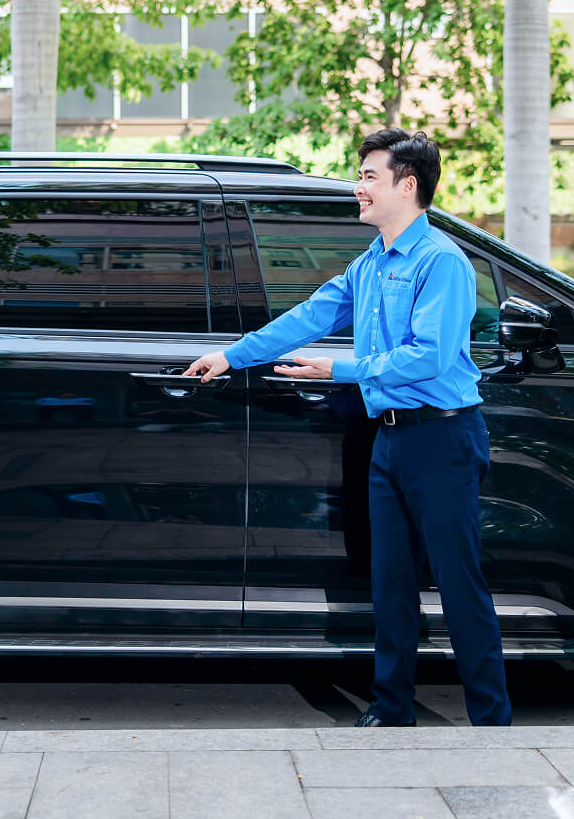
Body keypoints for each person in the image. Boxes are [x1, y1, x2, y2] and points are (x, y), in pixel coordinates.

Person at [184, 128, 511, 727]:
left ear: (407, 186)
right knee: (389, 582)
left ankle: (491, 720)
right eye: (359, 176)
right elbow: (309, 315)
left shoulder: (441, 262)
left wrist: (343, 367)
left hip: (442, 438)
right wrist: (233, 355)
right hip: (388, 438)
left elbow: (431, 357)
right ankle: (391, 709)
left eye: (368, 177)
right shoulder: (370, 264)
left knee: (460, 584)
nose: (356, 188)